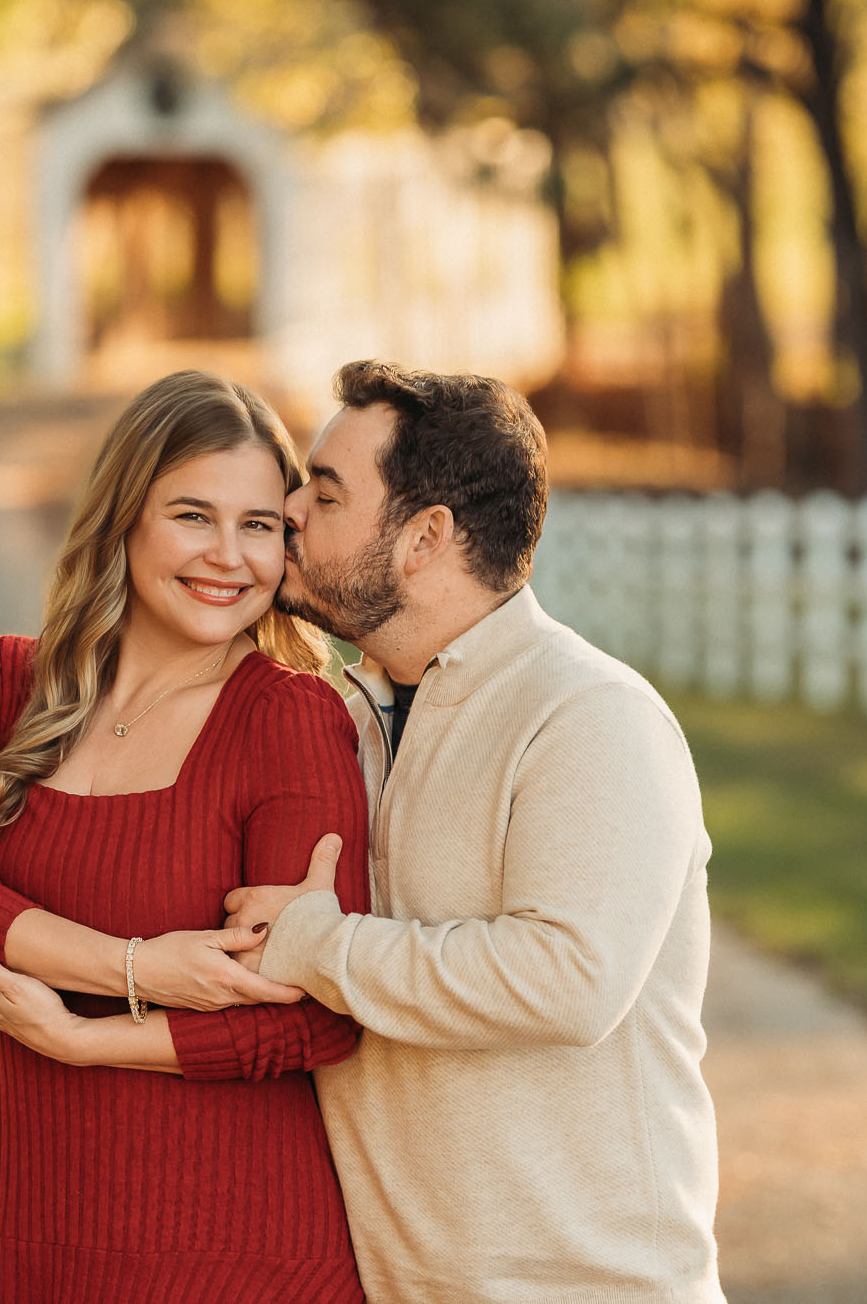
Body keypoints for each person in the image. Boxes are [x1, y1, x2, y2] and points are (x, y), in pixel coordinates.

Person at [221, 359, 725, 1302]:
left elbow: (570, 980)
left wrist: (318, 946)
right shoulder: (339, 715)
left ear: (425, 538)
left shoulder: (589, 715)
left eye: (325, 492)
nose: (288, 508)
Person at [0, 370, 371, 1304]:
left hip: (231, 1254)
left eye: (260, 525)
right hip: (28, 1218)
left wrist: (82, 1037)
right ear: (124, 519)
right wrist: (135, 968)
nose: (229, 556)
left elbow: (313, 1013)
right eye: (194, 515)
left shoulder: (289, 721)